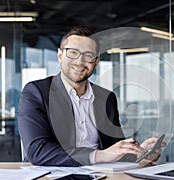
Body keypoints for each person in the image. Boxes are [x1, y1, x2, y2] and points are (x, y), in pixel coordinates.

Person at [18, 26, 163, 166]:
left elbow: (115, 150)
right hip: (53, 179)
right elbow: (37, 151)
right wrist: (97, 155)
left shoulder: (106, 98)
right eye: (73, 53)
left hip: (100, 178)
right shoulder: (36, 92)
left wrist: (139, 154)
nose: (79, 61)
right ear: (60, 56)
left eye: (88, 55)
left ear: (96, 62)